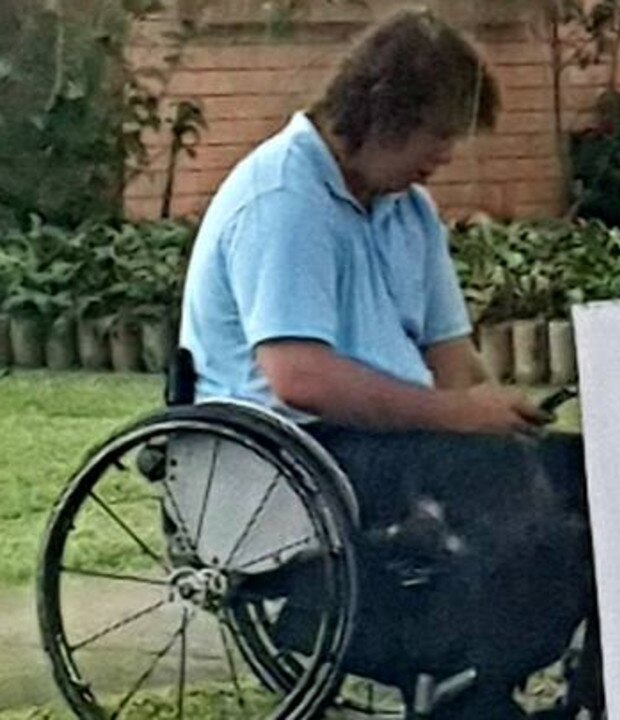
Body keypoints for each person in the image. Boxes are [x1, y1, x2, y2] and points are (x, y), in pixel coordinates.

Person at [179, 10, 597, 719]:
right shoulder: (284, 199)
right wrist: (461, 418)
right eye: (436, 134)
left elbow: (448, 358)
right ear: (380, 113)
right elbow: (298, 377)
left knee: (587, 474)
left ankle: (587, 688)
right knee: (495, 484)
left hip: (393, 433)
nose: (445, 154)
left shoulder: (410, 210)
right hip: (294, 449)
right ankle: (474, 683)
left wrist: (499, 412)